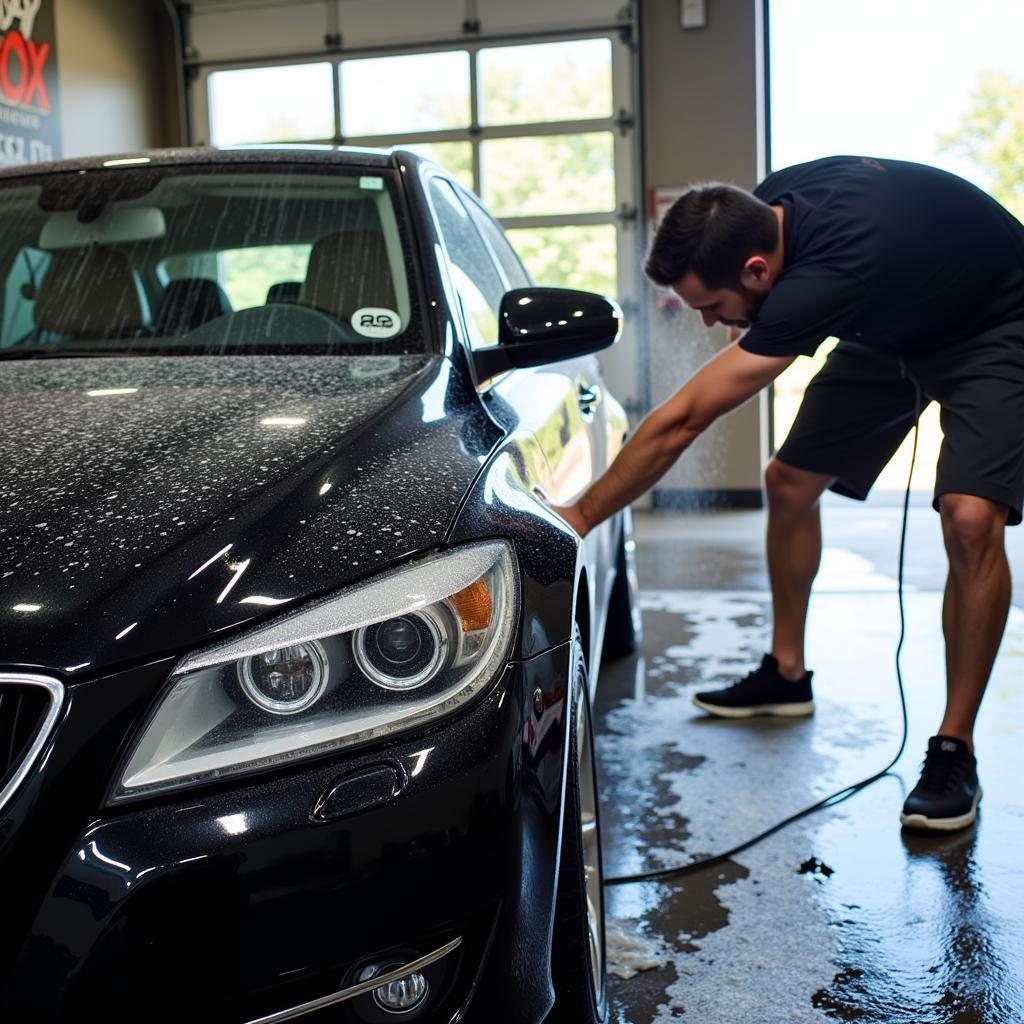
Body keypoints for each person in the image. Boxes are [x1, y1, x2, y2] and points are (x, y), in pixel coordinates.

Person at [555, 155, 1024, 832]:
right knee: (789, 481)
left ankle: (955, 749)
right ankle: (787, 672)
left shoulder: (830, 274)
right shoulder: (764, 208)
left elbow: (685, 419)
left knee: (971, 517)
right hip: (888, 320)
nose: (715, 325)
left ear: (757, 271)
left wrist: (580, 514)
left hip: (994, 322)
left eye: (714, 309)